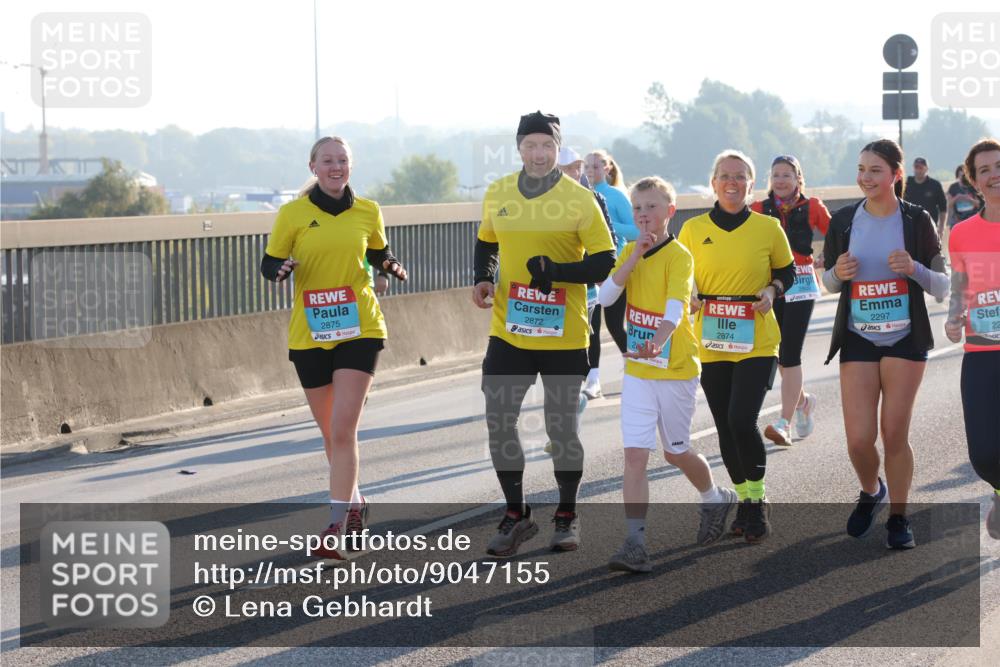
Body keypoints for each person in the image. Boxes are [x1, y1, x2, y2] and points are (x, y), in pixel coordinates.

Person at [473, 111, 615, 557]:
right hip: (509, 330)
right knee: (499, 421)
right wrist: (483, 276)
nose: (538, 154)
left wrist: (556, 273)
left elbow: (604, 260)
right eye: (531, 145)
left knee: (560, 431)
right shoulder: (498, 192)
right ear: (519, 148)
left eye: (547, 146)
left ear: (558, 149)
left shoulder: (579, 198)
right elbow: (487, 242)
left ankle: (567, 515)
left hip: (564, 334)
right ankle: (516, 514)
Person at [260, 136, 407, 560]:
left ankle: (335, 525)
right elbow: (269, 262)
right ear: (313, 167)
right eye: (327, 161)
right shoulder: (293, 214)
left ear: (351, 166)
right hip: (310, 333)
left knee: (343, 430)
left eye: (342, 160)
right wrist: (280, 270)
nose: (335, 167)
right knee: (331, 435)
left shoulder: (368, 211)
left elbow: (379, 251)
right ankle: (357, 503)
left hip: (360, 327)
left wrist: (390, 265)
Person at [600, 176, 737, 573]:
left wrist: (659, 340)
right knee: (634, 456)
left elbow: (676, 308)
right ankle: (635, 542)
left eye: (652, 207)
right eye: (638, 208)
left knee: (675, 451)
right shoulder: (629, 250)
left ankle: (714, 498)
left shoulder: (680, 256)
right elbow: (606, 296)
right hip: (639, 371)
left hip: (675, 368)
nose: (644, 215)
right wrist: (632, 258)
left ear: (670, 212)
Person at [821, 138, 949, 550]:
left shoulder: (916, 220)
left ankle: (898, 516)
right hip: (858, 336)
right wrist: (839, 274)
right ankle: (870, 489)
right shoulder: (843, 220)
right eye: (861, 169)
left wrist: (913, 269)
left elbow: (943, 287)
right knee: (858, 440)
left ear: (896, 174)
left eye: (875, 170)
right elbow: (827, 282)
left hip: (905, 338)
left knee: (893, 434)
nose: (865, 178)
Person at [678, 149, 795, 544]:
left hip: (757, 338)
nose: (732, 182)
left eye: (740, 176)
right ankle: (744, 500)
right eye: (725, 175)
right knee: (725, 426)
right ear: (713, 183)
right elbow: (680, 274)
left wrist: (772, 289)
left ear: (750, 183)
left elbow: (786, 270)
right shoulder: (692, 229)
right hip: (711, 339)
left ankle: (757, 501)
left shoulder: (768, 228)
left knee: (742, 419)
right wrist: (689, 295)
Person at [751, 156, 830, 445]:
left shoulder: (812, 206)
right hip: (771, 285)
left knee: (789, 353)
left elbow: (836, 234)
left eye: (787, 174)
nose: (781, 180)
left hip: (802, 283)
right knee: (775, 351)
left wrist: (827, 258)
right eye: (776, 175)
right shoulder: (758, 209)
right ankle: (803, 401)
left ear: (798, 178)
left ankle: (784, 423)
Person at [944, 138, 1000, 540]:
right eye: (985, 170)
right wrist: (953, 318)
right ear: (975, 182)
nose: (995, 174)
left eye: (999, 166)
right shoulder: (963, 234)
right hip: (981, 350)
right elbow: (960, 287)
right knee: (983, 453)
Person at [583, 149, 637, 398]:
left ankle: (635, 367)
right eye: (587, 166)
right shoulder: (581, 196)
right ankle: (593, 379)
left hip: (615, 270)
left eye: (596, 166)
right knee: (591, 326)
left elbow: (636, 231)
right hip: (588, 270)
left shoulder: (615, 196)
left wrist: (606, 224)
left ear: (607, 168)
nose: (591, 170)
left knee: (615, 325)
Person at [903, 157, 948, 237]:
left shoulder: (935, 185)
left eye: (921, 168)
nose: (918, 170)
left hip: (929, 228)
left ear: (926, 169)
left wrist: (941, 229)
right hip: (909, 228)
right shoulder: (906, 183)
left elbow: (943, 209)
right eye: (916, 167)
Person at [947, 164, 985, 229]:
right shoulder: (953, 187)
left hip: (972, 218)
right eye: (960, 175)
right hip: (958, 219)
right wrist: (957, 198)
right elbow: (949, 205)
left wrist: (968, 199)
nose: (962, 177)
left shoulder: (973, 187)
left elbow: (979, 204)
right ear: (957, 175)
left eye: (964, 175)